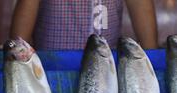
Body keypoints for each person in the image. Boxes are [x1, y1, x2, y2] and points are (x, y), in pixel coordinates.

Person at [10, 0, 158, 50]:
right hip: (53, 63)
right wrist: (17, 55)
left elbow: (139, 4)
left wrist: (152, 58)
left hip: (107, 65)